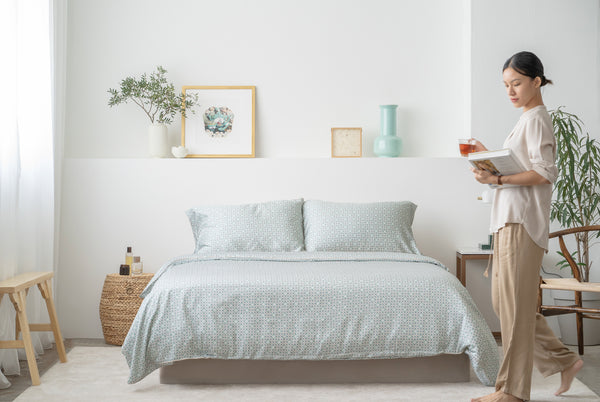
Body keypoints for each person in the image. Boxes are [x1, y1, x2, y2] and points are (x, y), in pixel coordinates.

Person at [470, 51, 583, 402]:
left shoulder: (536, 118)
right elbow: (523, 164)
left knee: (515, 310)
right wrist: (489, 160)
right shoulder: (524, 119)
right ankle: (564, 361)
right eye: (506, 85)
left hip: (521, 224)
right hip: (507, 221)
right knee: (507, 306)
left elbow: (544, 172)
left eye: (516, 83)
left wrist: (498, 177)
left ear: (537, 81)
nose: (511, 91)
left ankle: (512, 392)